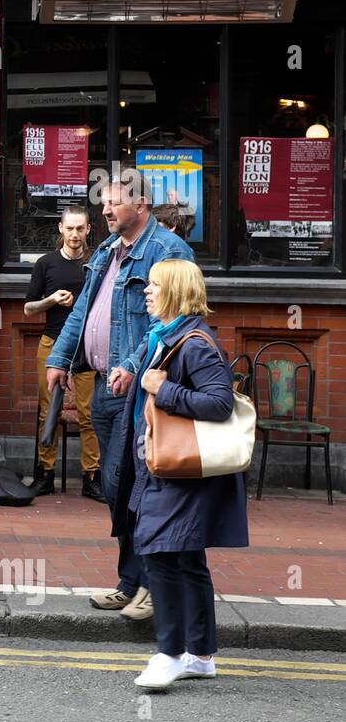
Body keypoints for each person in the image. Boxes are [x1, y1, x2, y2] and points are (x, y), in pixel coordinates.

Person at [46, 174, 194, 621]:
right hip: (104, 386)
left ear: (141, 204)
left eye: (114, 204)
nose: (105, 211)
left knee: (131, 486)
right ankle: (131, 582)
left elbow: (169, 322)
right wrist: (59, 358)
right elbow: (82, 313)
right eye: (104, 204)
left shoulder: (168, 252)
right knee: (118, 489)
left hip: (141, 395)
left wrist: (131, 364)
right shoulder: (109, 251)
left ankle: (152, 585)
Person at [111, 260, 246, 688]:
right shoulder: (169, 337)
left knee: (159, 552)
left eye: (154, 286)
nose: (146, 293)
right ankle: (201, 656)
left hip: (180, 472)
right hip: (165, 467)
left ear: (175, 291)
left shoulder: (195, 344)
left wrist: (160, 388)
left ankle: (169, 653)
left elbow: (219, 403)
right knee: (186, 559)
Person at [25, 205, 100, 499]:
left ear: (88, 230)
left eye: (80, 229)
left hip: (88, 347)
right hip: (52, 342)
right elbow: (29, 309)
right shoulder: (46, 264)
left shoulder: (97, 264)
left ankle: (91, 477)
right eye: (69, 228)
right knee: (49, 411)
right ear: (60, 228)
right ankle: (45, 474)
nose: (74, 235)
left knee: (89, 413)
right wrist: (51, 300)